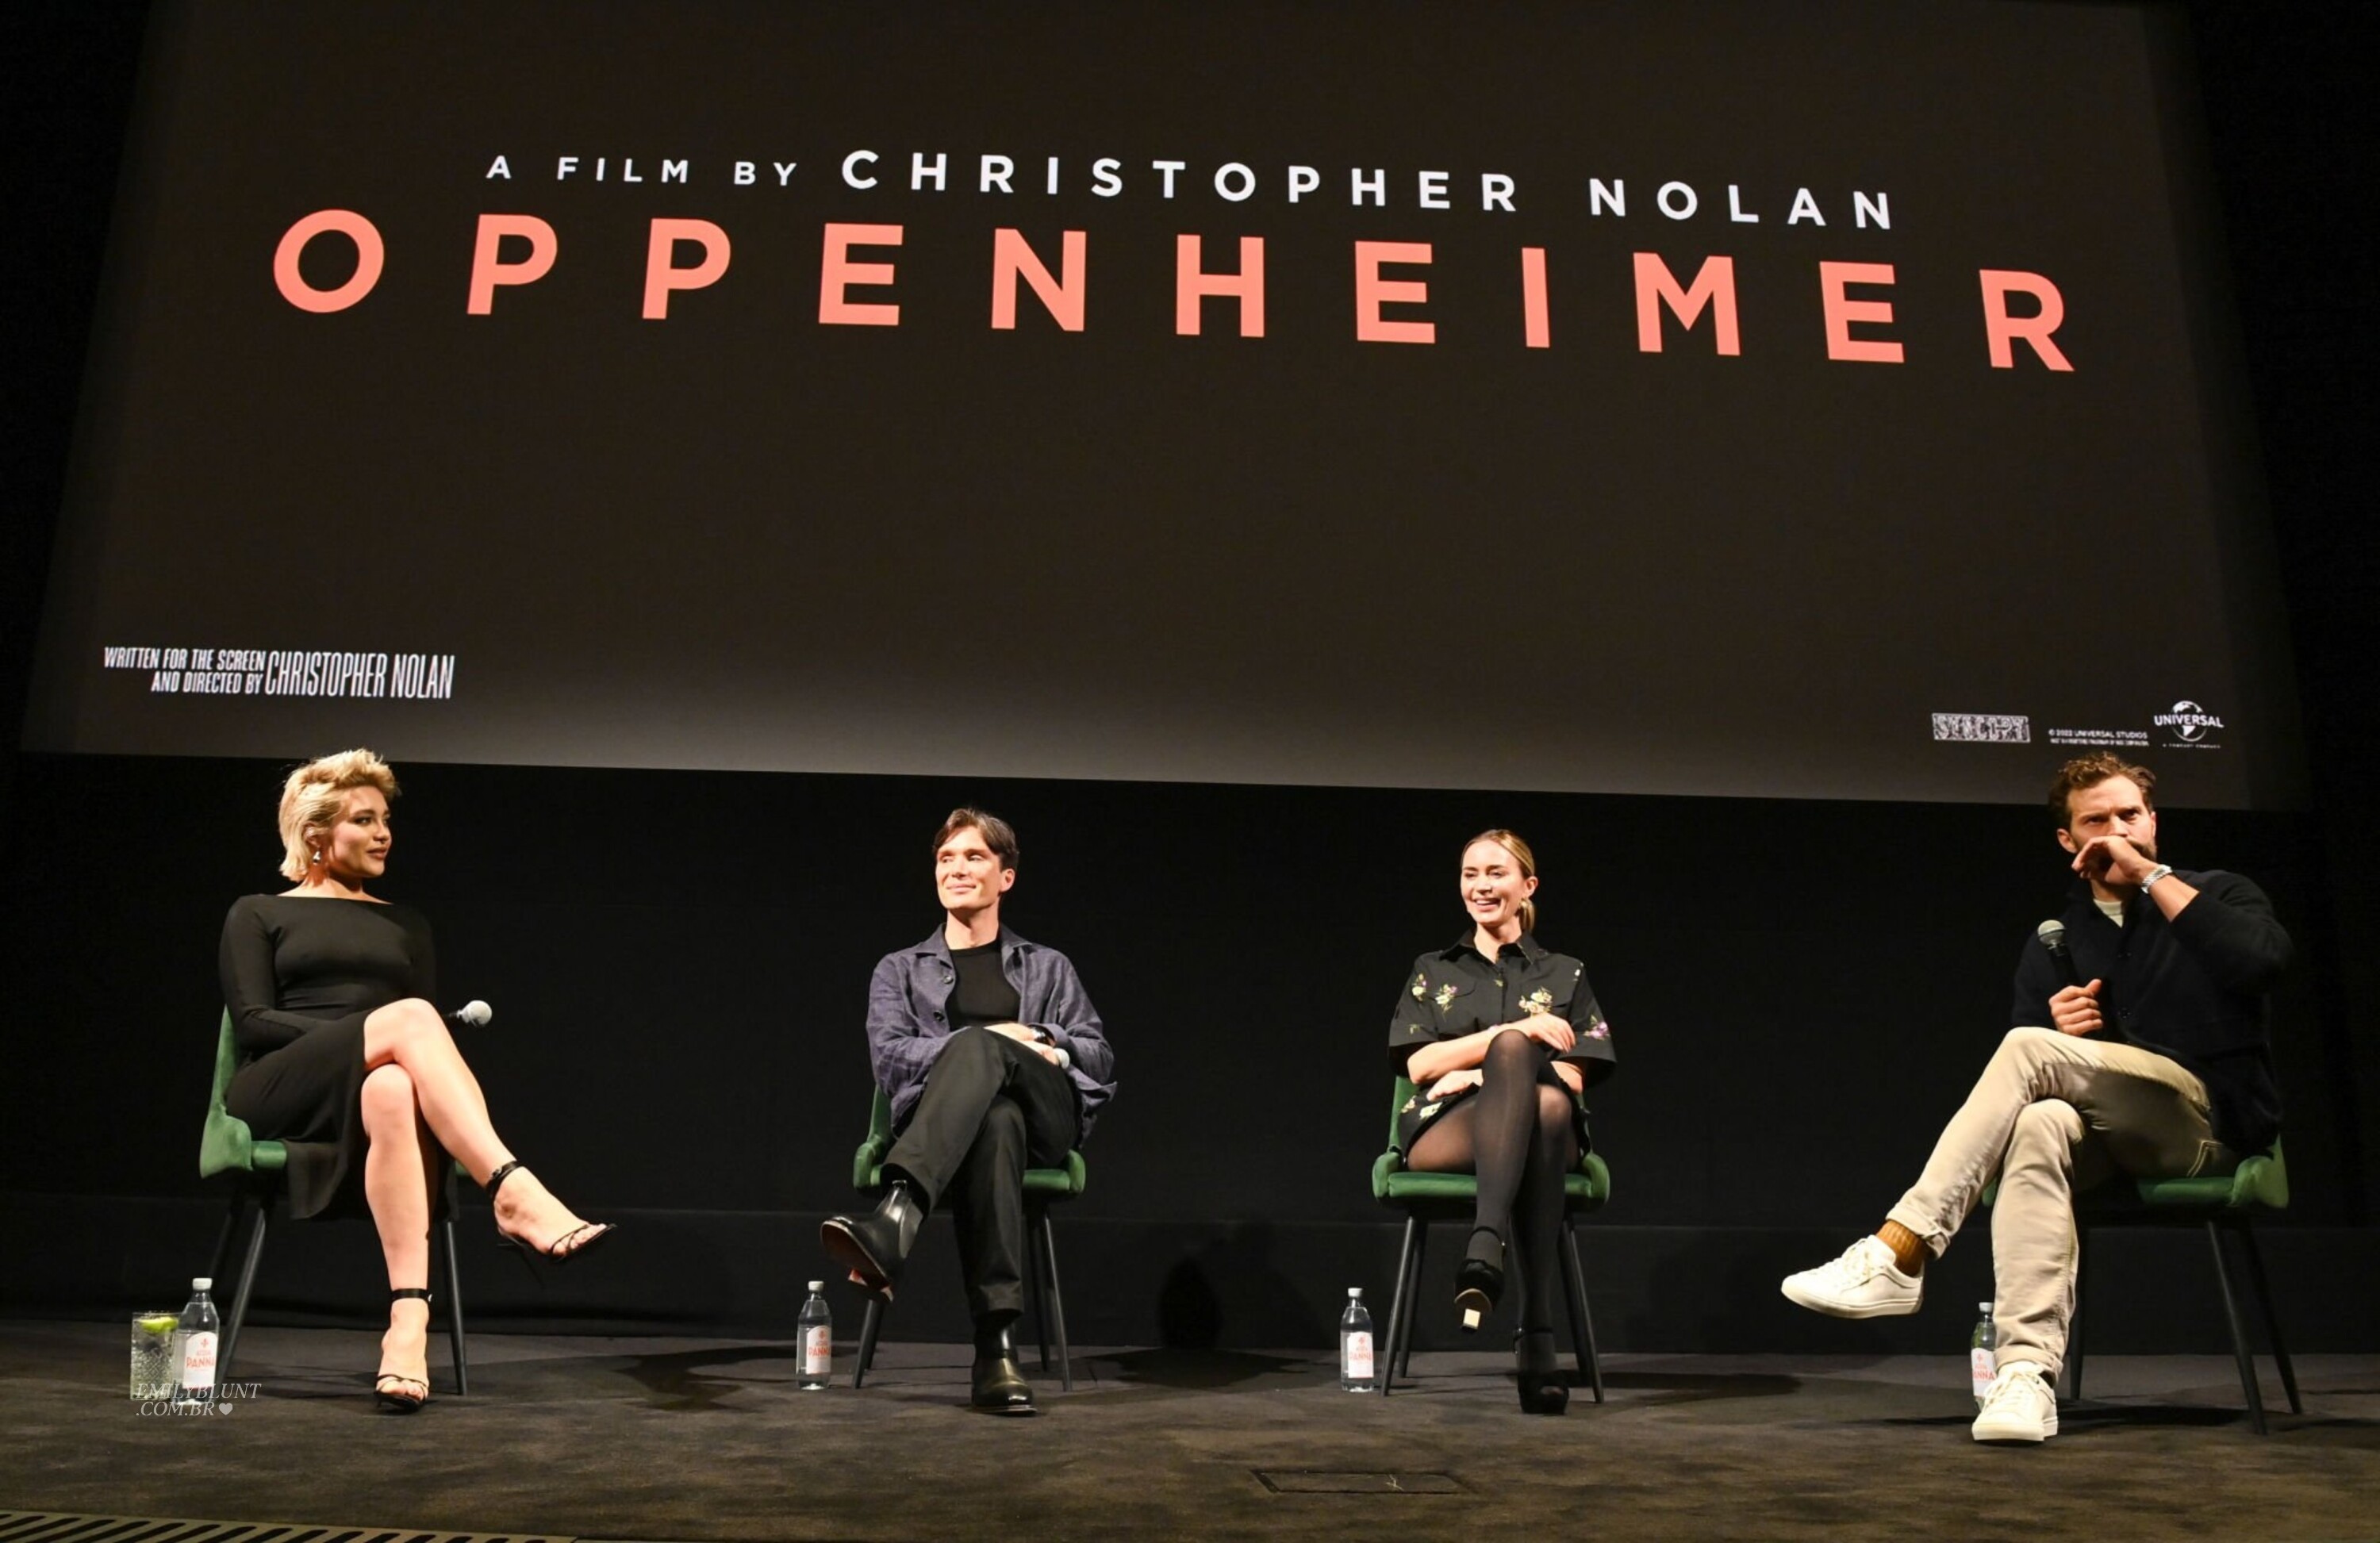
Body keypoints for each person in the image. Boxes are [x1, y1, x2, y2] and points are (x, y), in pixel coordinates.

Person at [1779, 752, 2291, 1442]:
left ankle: (1900, 1248)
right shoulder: (2058, 939)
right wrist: (2063, 1028)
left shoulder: (2219, 893)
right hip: (2107, 1139)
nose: (2117, 830)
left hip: (2206, 1127)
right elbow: (2019, 1079)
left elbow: (2262, 963)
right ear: (2067, 839)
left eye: (2130, 815)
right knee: (2039, 1122)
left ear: (2153, 822)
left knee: (2029, 1049)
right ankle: (2025, 1376)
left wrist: (2150, 877)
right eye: (2097, 820)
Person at [219, 750, 614, 1413]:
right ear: (316, 833)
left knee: (395, 1086)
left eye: (386, 819)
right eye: (364, 819)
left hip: (378, 1083)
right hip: (284, 1085)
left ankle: (407, 1327)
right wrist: (363, 1036)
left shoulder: (406, 921)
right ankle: (511, 1188)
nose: (383, 833)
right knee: (408, 1020)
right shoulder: (257, 911)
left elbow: (423, 1037)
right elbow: (253, 1021)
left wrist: (383, 1043)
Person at [822, 808, 1118, 1415]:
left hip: (1046, 1124)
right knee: (995, 1117)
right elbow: (891, 1060)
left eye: (974, 855)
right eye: (945, 858)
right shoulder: (899, 969)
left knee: (991, 1062)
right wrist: (984, 1043)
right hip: (957, 1134)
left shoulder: (1047, 966)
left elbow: (1098, 1053)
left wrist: (1037, 1037)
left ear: (1006, 876)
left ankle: (896, 1218)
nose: (956, 868)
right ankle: (996, 1351)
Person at [1388, 829, 1618, 1414]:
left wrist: (1482, 1072)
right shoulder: (1432, 969)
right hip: (1448, 1130)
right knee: (1522, 1060)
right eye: (1470, 874)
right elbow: (1418, 1065)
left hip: (1547, 1126)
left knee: (1545, 1103)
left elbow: (1575, 1075)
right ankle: (1537, 1337)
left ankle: (1484, 1247)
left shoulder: (1564, 974)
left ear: (1527, 886)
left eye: (1496, 873)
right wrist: (1509, 1037)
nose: (1481, 886)